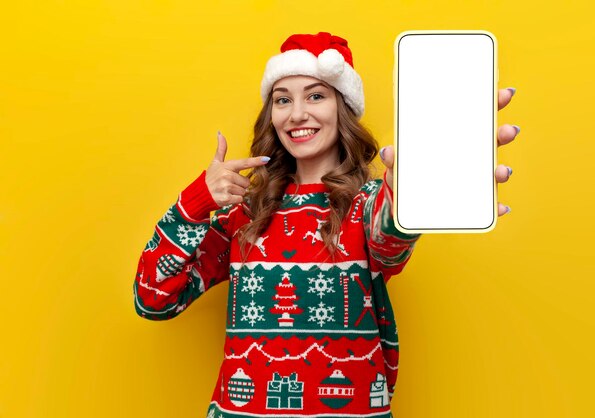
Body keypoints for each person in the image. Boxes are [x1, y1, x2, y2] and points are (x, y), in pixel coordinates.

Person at [133, 32, 518, 418]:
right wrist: (197, 201)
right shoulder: (246, 214)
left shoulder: (367, 204)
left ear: (343, 108)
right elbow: (153, 300)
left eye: (316, 95)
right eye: (283, 99)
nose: (297, 113)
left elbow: (390, 237)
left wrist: (413, 186)